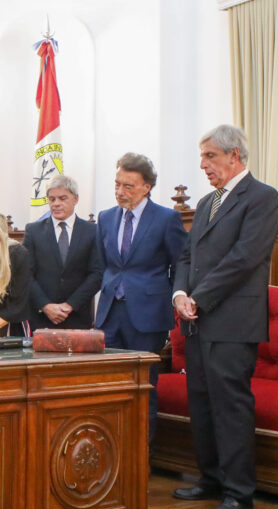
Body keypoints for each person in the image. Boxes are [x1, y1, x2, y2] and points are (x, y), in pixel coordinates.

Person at [171, 125, 278, 509]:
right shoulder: (205, 203)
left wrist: (199, 297)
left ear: (234, 156)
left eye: (210, 156)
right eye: (202, 157)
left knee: (230, 406)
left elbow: (245, 257)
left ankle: (239, 492)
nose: (203, 165)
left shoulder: (263, 198)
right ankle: (211, 479)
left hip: (233, 322)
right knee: (200, 403)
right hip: (197, 321)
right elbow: (186, 256)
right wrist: (180, 294)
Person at [94, 153, 187, 443]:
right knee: (107, 389)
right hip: (109, 314)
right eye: (117, 184)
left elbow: (181, 262)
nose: (120, 192)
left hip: (147, 318)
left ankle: (140, 463)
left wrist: (164, 296)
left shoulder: (166, 218)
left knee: (143, 388)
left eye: (129, 186)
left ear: (146, 187)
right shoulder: (106, 217)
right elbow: (103, 264)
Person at [22, 175, 103, 330]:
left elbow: (97, 274)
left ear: (75, 199)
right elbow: (26, 274)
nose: (56, 204)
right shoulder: (33, 231)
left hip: (77, 317)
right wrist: (45, 305)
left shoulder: (92, 231)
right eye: (52, 199)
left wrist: (70, 305)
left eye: (62, 198)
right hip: (41, 319)